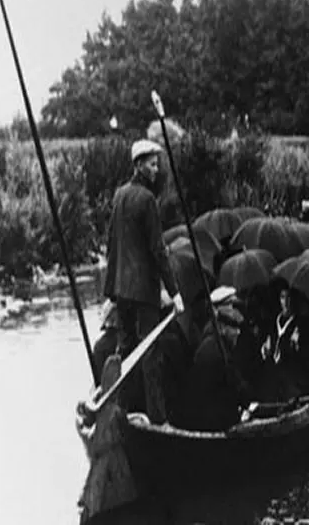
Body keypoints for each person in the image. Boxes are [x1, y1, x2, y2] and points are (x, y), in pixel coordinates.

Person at [102, 139, 185, 425]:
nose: (157, 168)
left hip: (122, 290)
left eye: (158, 162)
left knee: (124, 348)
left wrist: (109, 289)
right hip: (143, 291)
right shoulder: (147, 200)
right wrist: (174, 292)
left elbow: (111, 243)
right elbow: (158, 250)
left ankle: (120, 410)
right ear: (138, 165)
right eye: (152, 163)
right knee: (151, 353)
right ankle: (158, 419)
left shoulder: (119, 194)